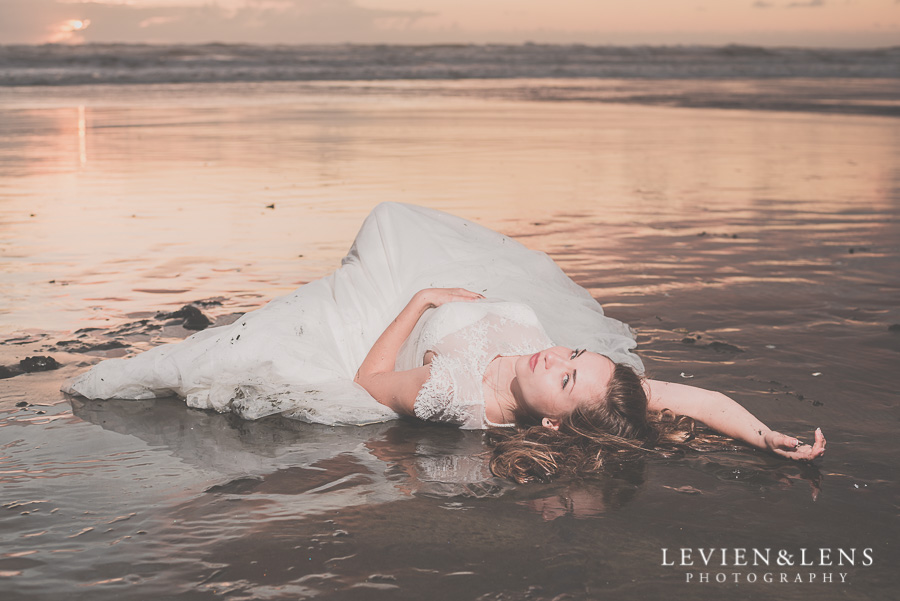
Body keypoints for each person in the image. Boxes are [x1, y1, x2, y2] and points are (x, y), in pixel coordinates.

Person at [62, 202, 825, 482]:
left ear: (555, 420)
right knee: (397, 212)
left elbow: (367, 381)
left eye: (564, 375)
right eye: (573, 354)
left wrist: (420, 299)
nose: (556, 356)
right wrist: (769, 438)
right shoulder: (596, 389)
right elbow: (699, 396)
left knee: (382, 230)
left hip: (404, 308)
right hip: (475, 293)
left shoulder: (452, 394)